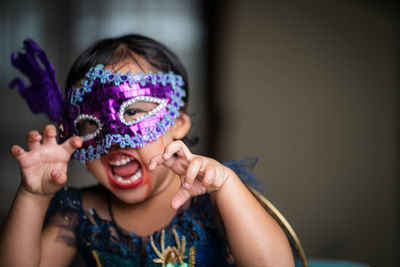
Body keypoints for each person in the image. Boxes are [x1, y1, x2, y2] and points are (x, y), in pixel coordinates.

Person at [0, 35, 294, 266]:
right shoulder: (81, 212)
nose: (115, 139)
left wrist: (227, 186)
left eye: (133, 113)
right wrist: (33, 196)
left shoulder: (214, 202)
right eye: (90, 125)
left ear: (177, 123)